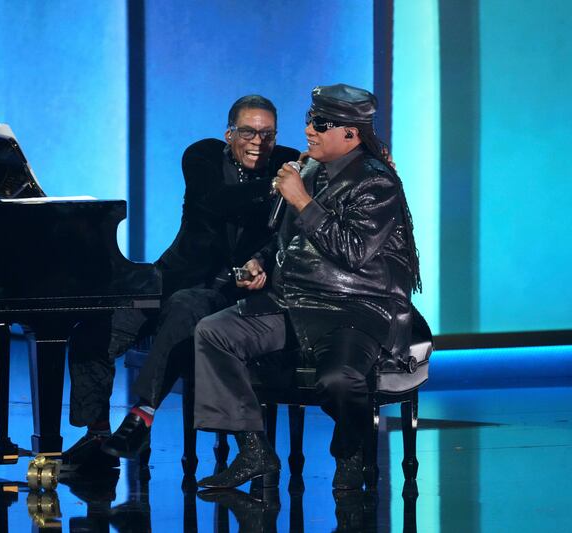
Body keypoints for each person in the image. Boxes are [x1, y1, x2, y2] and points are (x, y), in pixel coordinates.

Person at [193, 83, 423, 491]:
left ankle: (350, 452)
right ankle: (254, 448)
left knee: (339, 380)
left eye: (320, 123)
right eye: (308, 121)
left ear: (350, 133)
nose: (309, 131)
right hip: (295, 301)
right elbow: (286, 238)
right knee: (214, 332)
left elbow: (352, 251)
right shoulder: (311, 170)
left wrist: (301, 199)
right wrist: (260, 261)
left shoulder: (376, 182)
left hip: (354, 308)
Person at [62, 95, 301, 469]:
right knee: (92, 331)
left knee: (185, 308)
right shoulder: (203, 155)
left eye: (267, 134)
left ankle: (141, 416)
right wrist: (276, 185)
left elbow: (287, 233)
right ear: (229, 134)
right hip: (173, 275)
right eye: (249, 132)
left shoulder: (290, 163)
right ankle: (97, 434)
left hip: (228, 292)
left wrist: (264, 260)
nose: (259, 142)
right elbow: (216, 201)